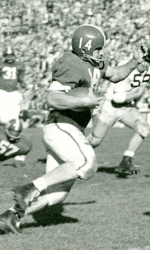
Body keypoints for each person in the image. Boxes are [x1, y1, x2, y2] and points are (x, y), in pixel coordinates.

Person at [0, 24, 149, 234]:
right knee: (86, 163)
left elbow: (115, 74)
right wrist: (85, 101)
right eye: (98, 48)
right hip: (60, 126)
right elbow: (53, 98)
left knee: (56, 195)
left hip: (71, 129)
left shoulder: (94, 62)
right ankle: (29, 188)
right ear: (86, 48)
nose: (102, 52)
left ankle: (10, 216)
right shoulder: (71, 63)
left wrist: (135, 61)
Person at [87, 57, 150, 175]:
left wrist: (136, 99)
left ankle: (126, 161)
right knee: (95, 140)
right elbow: (118, 98)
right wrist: (136, 95)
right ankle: (73, 155)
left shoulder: (148, 70)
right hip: (110, 106)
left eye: (148, 62)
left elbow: (140, 89)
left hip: (126, 107)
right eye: (144, 60)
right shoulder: (127, 66)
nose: (145, 64)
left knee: (144, 128)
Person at [0, 46, 26, 126]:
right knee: (3, 117)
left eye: (11, 55)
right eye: (7, 56)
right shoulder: (1, 64)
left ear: (14, 56)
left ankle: (13, 132)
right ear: (4, 56)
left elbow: (20, 78)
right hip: (2, 91)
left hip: (15, 91)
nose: (10, 58)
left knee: (14, 114)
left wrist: (22, 84)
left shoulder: (20, 65)